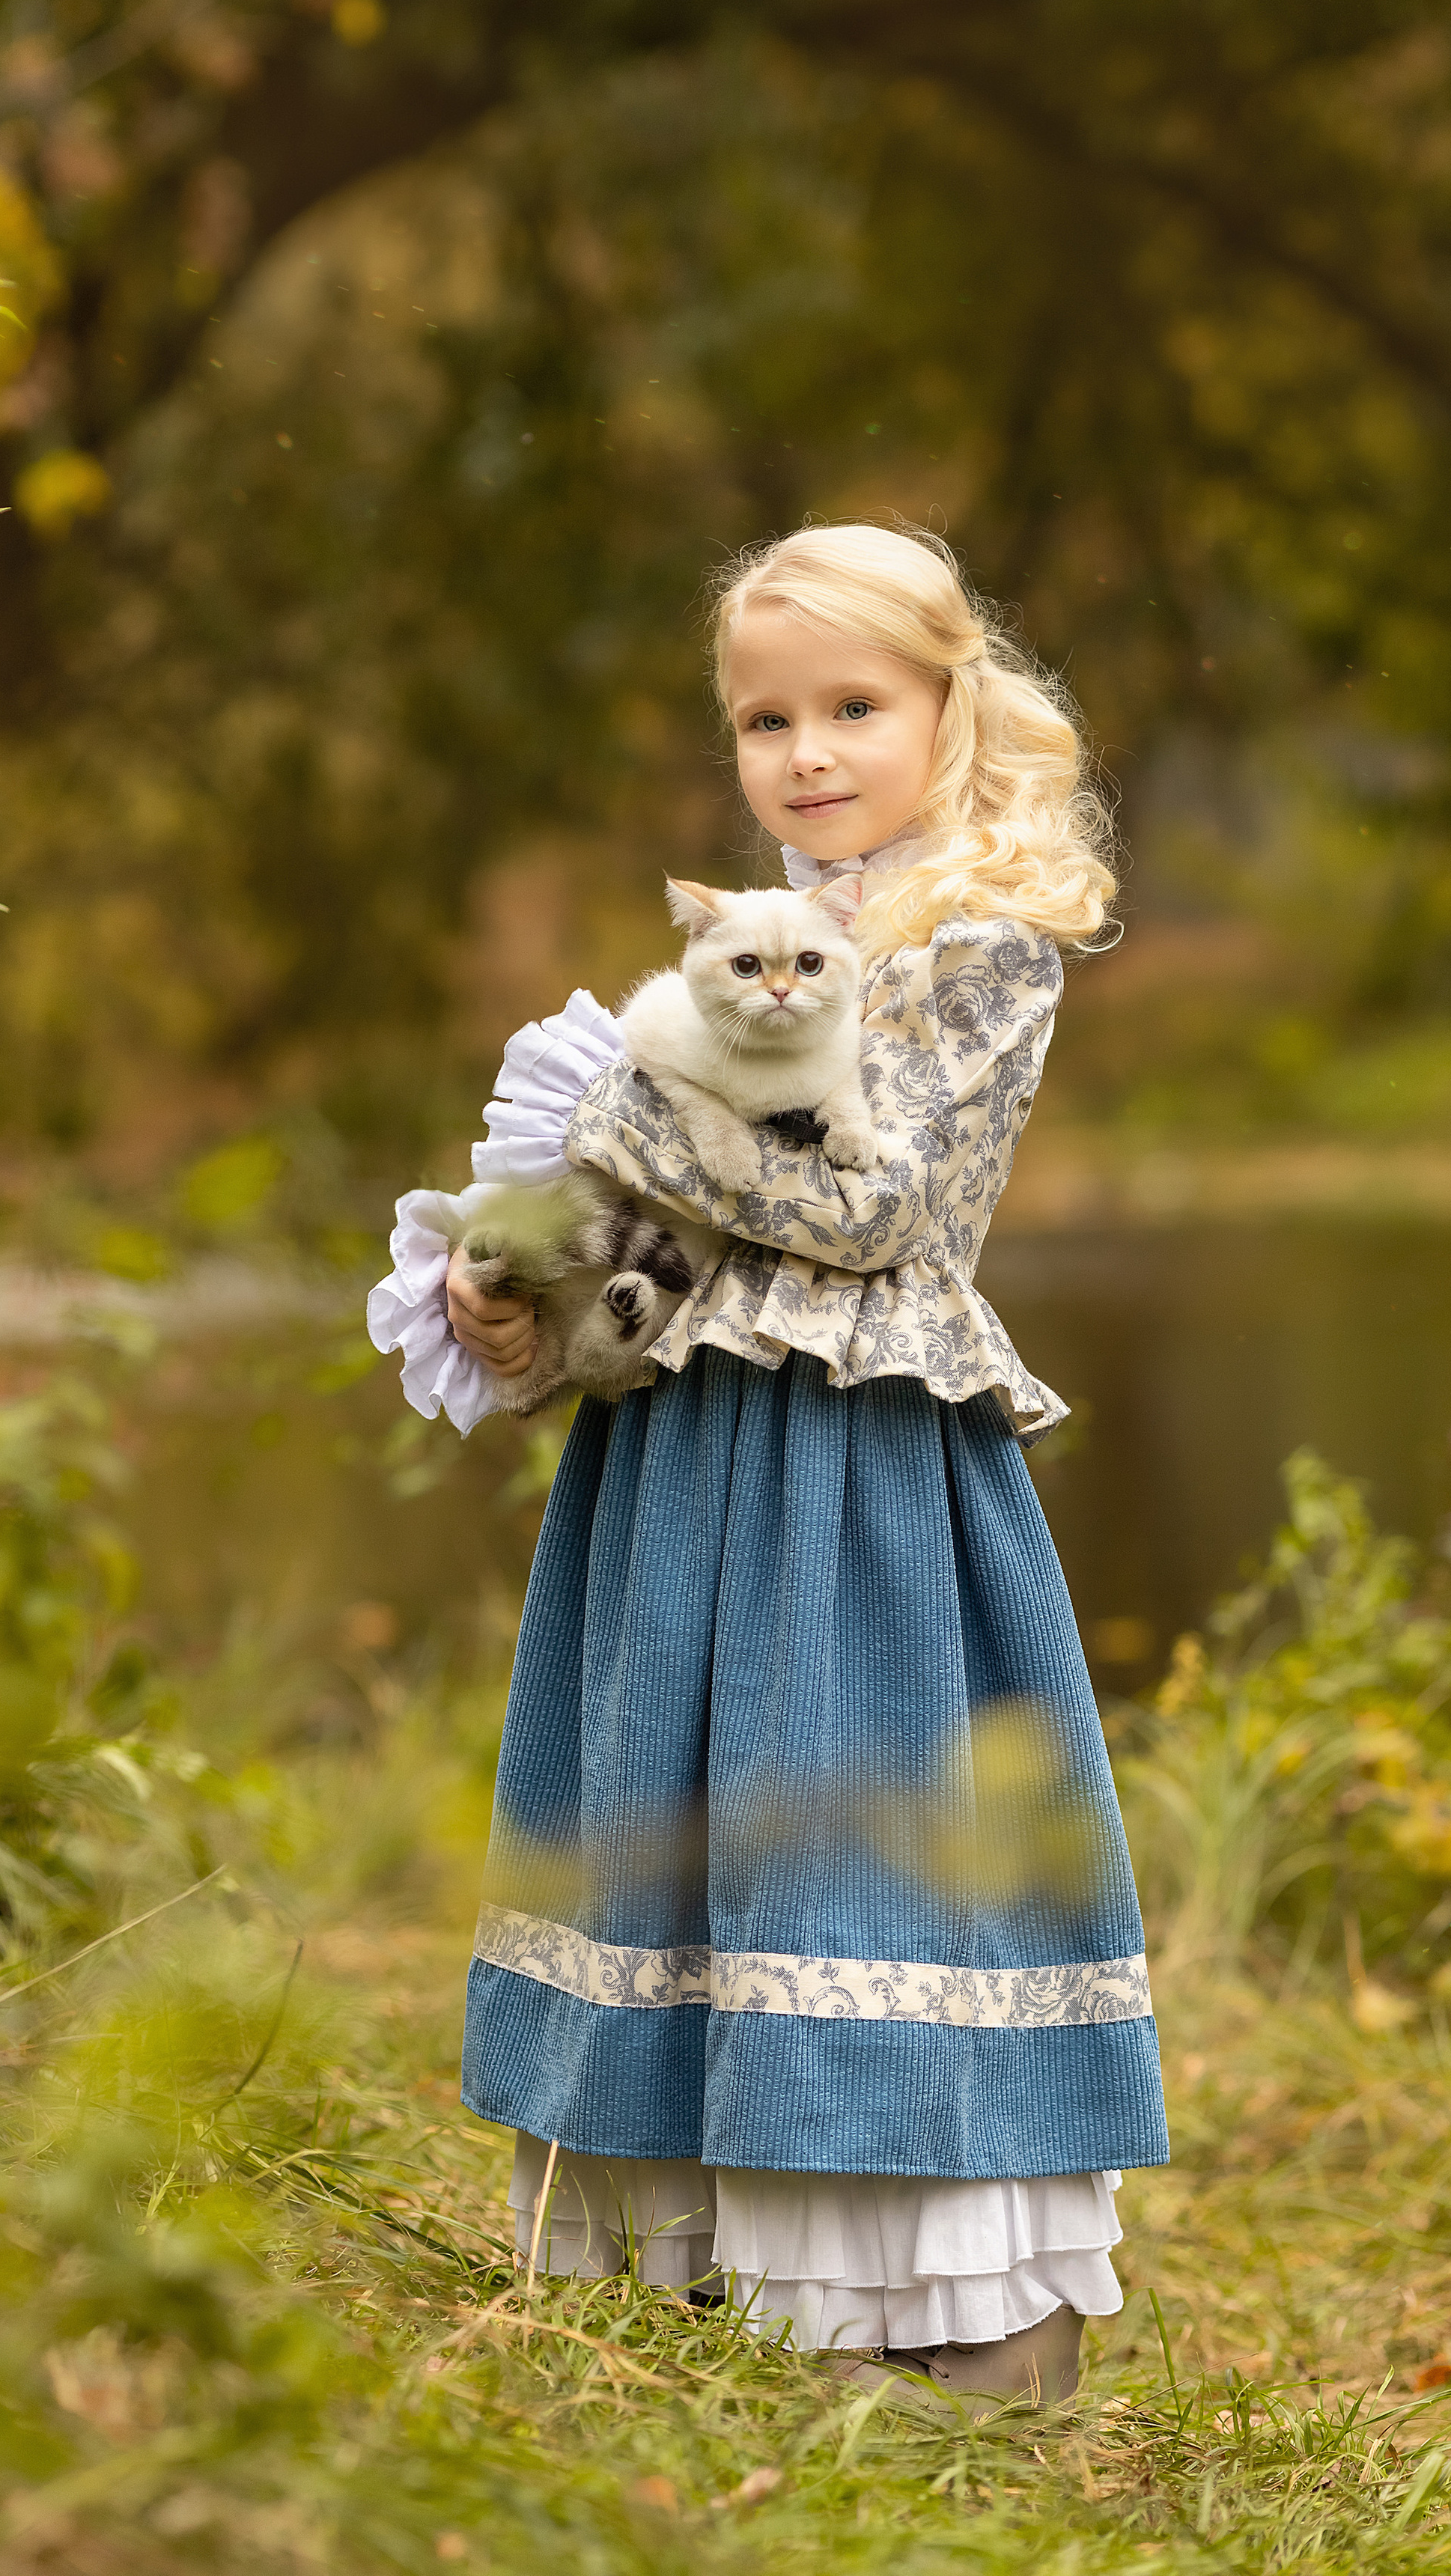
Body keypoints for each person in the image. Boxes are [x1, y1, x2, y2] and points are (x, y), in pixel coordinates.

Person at [439, 523, 1166, 2405]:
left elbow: (874, 1206)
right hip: (685, 1472)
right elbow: (665, 1258)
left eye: (854, 705)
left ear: (948, 708)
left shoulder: (974, 942)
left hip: (858, 1480)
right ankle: (705, 2294)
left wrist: (629, 1111)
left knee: (864, 1846)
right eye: (767, 719)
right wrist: (535, 1305)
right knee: (682, 1831)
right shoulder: (742, 948)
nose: (809, 751)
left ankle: (952, 2325)